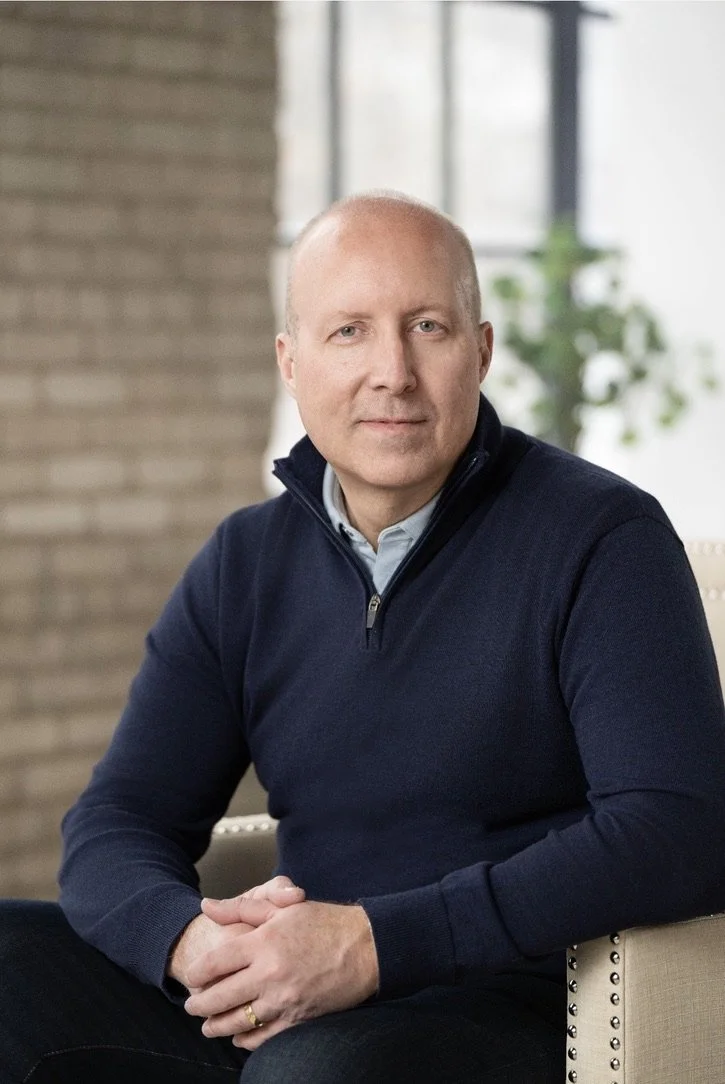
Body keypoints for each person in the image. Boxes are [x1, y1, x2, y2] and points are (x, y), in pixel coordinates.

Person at [2, 191, 724, 1084]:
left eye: (427, 326)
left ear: (481, 351)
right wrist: (186, 942)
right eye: (349, 331)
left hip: (499, 1004)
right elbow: (117, 819)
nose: (393, 370)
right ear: (290, 362)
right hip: (281, 997)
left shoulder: (601, 537)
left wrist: (375, 945)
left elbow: (679, 829)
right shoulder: (244, 563)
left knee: (316, 1072)